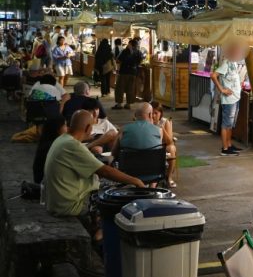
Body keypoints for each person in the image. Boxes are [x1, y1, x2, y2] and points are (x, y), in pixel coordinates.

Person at [44, 110, 145, 240]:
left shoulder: (63, 139)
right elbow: (105, 171)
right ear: (88, 128)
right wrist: (135, 181)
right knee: (124, 191)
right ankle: (103, 232)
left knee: (109, 184)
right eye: (92, 126)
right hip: (71, 206)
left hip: (60, 201)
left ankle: (98, 226)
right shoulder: (72, 145)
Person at [211, 44, 244, 156]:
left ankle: (229, 145)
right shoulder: (226, 63)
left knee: (230, 124)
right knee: (226, 124)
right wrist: (222, 89)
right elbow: (213, 75)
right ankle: (225, 148)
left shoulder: (233, 63)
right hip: (229, 100)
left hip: (235, 98)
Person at [33, 114, 68, 184]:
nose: (67, 128)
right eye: (65, 125)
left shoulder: (47, 141)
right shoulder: (54, 145)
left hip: (42, 180)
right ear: (58, 128)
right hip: (47, 182)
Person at [151, 101, 177, 188]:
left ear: (161, 113)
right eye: (151, 113)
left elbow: (170, 141)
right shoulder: (147, 121)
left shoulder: (164, 122)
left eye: (156, 113)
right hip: (151, 147)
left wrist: (162, 129)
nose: (153, 115)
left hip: (163, 146)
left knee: (172, 148)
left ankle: (169, 177)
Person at [113, 39, 142, 110]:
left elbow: (118, 60)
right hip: (133, 73)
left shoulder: (125, 51)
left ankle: (119, 104)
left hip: (124, 72)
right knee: (130, 89)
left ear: (130, 44)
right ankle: (128, 104)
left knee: (120, 88)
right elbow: (140, 61)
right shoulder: (139, 52)